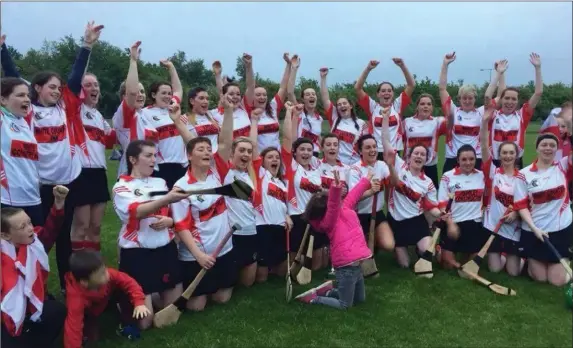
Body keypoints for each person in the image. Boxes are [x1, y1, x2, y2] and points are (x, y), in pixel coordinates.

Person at [1, 21, 104, 293]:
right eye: (51, 87)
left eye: (59, 88)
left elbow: (75, 75)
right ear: (37, 89)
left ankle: (70, 286)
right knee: (35, 239)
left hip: (66, 184)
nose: (57, 91)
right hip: (39, 187)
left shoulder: (65, 108)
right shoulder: (28, 113)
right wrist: (2, 50)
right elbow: (11, 80)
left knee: (65, 239)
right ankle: (35, 287)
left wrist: (87, 45)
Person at [111, 139, 190, 328]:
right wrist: (167, 199)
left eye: (155, 155)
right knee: (144, 323)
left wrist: (170, 221)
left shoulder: (160, 182)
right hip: (138, 253)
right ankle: (121, 299)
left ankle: (152, 293)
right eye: (148, 155)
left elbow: (173, 213)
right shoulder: (121, 186)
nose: (154, 160)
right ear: (133, 159)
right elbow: (136, 212)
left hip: (165, 249)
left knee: (169, 315)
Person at [170, 92, 237, 311]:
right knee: (196, 307)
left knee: (223, 298)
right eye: (202, 150)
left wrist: (228, 111)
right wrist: (199, 256)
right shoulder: (182, 187)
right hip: (197, 254)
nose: (208, 152)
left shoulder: (217, 173)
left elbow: (226, 141)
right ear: (189, 156)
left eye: (210, 149)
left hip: (224, 249)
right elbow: (180, 226)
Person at [1, 185, 69, 348]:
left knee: (57, 312)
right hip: (7, 314)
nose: (30, 229)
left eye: (29, 222)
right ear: (5, 235)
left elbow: (52, 230)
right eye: (22, 227)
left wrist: (58, 202)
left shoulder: (35, 243)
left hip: (33, 306)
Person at [295, 169, 373, 309]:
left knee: (360, 300)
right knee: (344, 305)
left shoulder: (345, 208)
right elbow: (332, 207)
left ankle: (329, 291)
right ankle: (313, 298)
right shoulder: (328, 222)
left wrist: (366, 180)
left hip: (357, 263)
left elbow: (353, 195)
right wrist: (335, 188)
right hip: (346, 266)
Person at [513, 104, 573, 286]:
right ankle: (532, 261)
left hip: (560, 228)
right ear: (537, 148)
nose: (548, 148)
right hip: (535, 231)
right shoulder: (524, 174)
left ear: (557, 148)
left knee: (557, 282)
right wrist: (534, 228)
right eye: (544, 145)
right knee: (539, 278)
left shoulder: (562, 166)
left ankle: (564, 264)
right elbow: (521, 205)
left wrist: (569, 124)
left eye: (552, 145)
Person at [381, 110, 446, 268]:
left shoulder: (428, 182)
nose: (419, 156)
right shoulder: (399, 166)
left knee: (428, 252)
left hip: (415, 221)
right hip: (396, 220)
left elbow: (432, 207)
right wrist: (384, 119)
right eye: (416, 153)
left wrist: (442, 214)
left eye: (422, 155)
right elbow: (385, 140)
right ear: (409, 157)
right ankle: (400, 246)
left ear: (426, 159)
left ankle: (420, 246)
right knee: (404, 265)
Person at [63, 250, 150, 348]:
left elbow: (129, 282)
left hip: (107, 298)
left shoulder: (109, 274)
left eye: (105, 270)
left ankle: (127, 321)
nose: (107, 273)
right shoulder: (76, 300)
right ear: (84, 282)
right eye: (102, 274)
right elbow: (73, 327)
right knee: (93, 338)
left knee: (124, 290)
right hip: (89, 312)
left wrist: (139, 302)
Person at [71, 72, 116, 252]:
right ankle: (77, 270)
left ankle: (94, 269)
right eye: (88, 85)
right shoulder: (74, 110)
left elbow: (111, 142)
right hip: (81, 172)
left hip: (99, 172)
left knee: (95, 226)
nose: (94, 88)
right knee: (81, 225)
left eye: (96, 85)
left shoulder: (98, 116)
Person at [438, 52, 506, 173]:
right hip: (453, 159)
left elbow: (501, 95)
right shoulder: (453, 111)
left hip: (476, 158)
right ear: (459, 99)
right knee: (450, 192)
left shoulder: (481, 112)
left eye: (470, 98)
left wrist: (500, 73)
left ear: (475, 98)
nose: (467, 101)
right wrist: (445, 65)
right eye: (464, 98)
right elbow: (442, 88)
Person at [250, 103, 294, 283]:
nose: (275, 159)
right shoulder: (260, 175)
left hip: (281, 227)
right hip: (263, 227)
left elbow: (284, 205)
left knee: (282, 271)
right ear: (262, 162)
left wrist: (288, 216)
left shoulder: (282, 182)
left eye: (277, 157)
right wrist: (254, 121)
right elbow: (253, 146)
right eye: (270, 157)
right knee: (261, 277)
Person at [479, 102, 523, 276]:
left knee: (513, 273)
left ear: (516, 155)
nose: (507, 156)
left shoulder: (523, 177)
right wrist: (484, 123)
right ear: (499, 154)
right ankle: (501, 255)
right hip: (492, 227)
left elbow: (528, 203)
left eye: (511, 153)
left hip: (513, 229)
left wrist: (517, 213)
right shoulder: (493, 172)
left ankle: (523, 258)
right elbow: (483, 145)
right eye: (504, 153)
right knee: (495, 269)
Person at [283, 103, 325, 270]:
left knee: (318, 267)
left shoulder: (316, 168)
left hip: (316, 218)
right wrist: (293, 116)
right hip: (297, 217)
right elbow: (289, 139)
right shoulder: (292, 167)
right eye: (302, 149)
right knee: (296, 266)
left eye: (309, 149)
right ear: (295, 152)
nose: (306, 153)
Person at [484, 54, 543, 168]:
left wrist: (538, 68)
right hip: (495, 162)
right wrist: (498, 73)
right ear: (501, 99)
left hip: (515, 162)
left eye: (513, 99)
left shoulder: (522, 115)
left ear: (517, 102)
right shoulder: (493, 115)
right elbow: (487, 96)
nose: (510, 101)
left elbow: (538, 93)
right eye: (507, 98)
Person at [437, 145, 488, 269]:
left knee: (472, 263)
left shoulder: (482, 176)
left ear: (476, 160)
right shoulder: (448, 176)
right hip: (454, 222)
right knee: (447, 265)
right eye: (464, 159)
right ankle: (439, 249)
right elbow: (442, 204)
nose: (468, 163)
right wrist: (450, 223)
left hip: (474, 223)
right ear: (458, 160)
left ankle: (464, 253)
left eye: (471, 159)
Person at [354, 58, 415, 160]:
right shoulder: (372, 107)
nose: (386, 93)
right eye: (383, 91)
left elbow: (411, 85)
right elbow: (358, 88)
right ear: (378, 94)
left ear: (393, 94)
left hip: (394, 150)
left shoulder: (397, 105)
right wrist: (368, 69)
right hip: (375, 151)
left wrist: (402, 66)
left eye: (389, 91)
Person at [0, 77, 42, 225]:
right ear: (3, 100)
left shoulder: (25, 122)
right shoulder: (2, 119)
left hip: (32, 195)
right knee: (9, 247)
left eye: (28, 95)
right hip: (8, 198)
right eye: (20, 95)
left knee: (35, 244)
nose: (27, 99)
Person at [140, 58, 185, 190]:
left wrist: (171, 67)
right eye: (163, 93)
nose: (168, 96)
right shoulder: (145, 113)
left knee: (180, 205)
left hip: (182, 165)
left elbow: (178, 90)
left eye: (169, 93)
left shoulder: (173, 108)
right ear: (153, 94)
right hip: (161, 166)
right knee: (163, 205)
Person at [348, 134, 395, 252]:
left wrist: (390, 165)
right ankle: (368, 239)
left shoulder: (382, 165)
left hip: (376, 213)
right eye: (368, 147)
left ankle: (373, 240)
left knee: (389, 245)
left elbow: (394, 183)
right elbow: (352, 198)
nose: (372, 150)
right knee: (358, 253)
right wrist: (370, 192)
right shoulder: (354, 170)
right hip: (359, 215)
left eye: (374, 147)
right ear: (360, 151)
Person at [319, 67, 366, 165]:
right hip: (334, 163)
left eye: (344, 103)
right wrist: (323, 78)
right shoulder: (335, 118)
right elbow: (325, 98)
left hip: (353, 165)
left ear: (351, 106)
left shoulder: (361, 123)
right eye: (339, 104)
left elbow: (365, 146)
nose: (342, 106)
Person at [244, 53, 291, 151]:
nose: (262, 97)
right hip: (258, 158)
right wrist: (249, 66)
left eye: (264, 95)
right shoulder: (248, 111)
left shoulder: (273, 108)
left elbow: (283, 87)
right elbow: (250, 85)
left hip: (276, 157)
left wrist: (288, 64)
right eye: (258, 95)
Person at [402, 93, 447, 187]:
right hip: (410, 166)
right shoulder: (406, 122)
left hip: (430, 166)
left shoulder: (438, 122)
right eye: (422, 104)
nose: (425, 106)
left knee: (431, 196)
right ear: (417, 106)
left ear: (432, 107)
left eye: (429, 104)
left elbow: (453, 121)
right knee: (410, 196)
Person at [287, 55, 324, 157]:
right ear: (303, 99)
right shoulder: (299, 112)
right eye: (307, 94)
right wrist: (294, 69)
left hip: (314, 154)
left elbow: (318, 136)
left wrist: (326, 149)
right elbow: (290, 92)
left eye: (313, 94)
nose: (311, 96)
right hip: (299, 154)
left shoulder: (319, 118)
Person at [213, 55, 254, 139]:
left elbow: (250, 86)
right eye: (231, 94)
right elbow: (222, 91)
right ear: (223, 97)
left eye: (238, 94)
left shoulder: (244, 108)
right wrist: (217, 75)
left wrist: (249, 66)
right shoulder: (216, 115)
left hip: (249, 151)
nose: (235, 97)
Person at [183, 86, 222, 153]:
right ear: (192, 101)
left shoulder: (212, 114)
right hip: (200, 159)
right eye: (201, 98)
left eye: (207, 99)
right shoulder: (185, 119)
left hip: (217, 158)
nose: (206, 101)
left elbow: (224, 98)